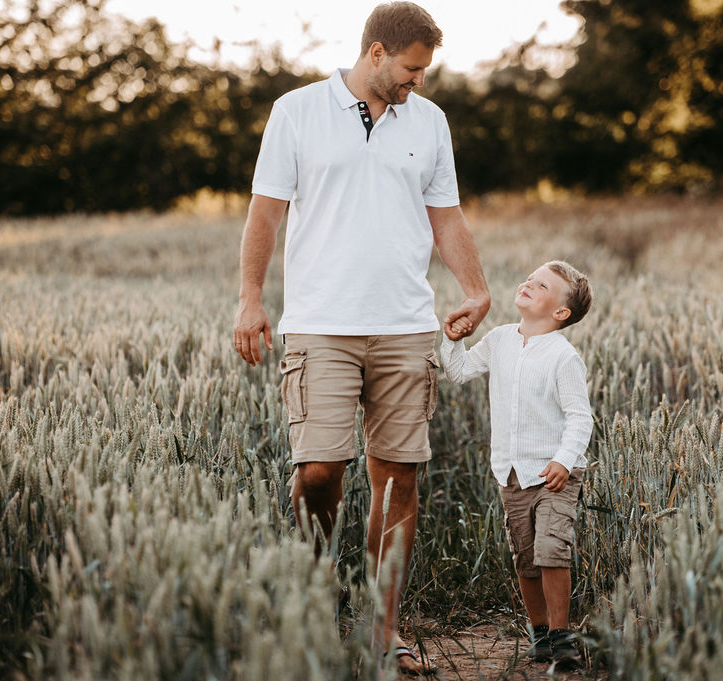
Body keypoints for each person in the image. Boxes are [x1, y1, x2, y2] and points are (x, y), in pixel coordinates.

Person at [232, 2, 490, 675]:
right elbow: (265, 213)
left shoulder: (429, 123)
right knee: (319, 469)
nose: (418, 83)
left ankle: (382, 626)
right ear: (376, 53)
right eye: (411, 69)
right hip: (320, 323)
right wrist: (250, 299)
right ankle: (319, 598)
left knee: (397, 477)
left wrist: (475, 288)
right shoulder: (296, 112)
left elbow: (448, 219)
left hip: (405, 325)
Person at [441, 260, 593, 671]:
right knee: (525, 558)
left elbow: (581, 417)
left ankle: (562, 637)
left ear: (560, 312)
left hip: (554, 476)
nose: (528, 283)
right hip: (510, 472)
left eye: (541, 285)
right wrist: (452, 338)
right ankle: (540, 633)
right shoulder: (500, 339)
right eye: (530, 277)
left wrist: (564, 460)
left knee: (551, 550)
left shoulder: (563, 356)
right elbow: (457, 372)